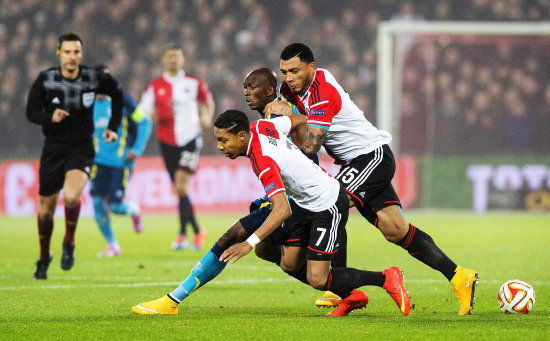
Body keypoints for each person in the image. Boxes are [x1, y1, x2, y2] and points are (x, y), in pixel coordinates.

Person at [266, 42, 478, 315]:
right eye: (284, 72)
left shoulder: (323, 92)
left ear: (311, 68)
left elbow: (310, 146)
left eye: (294, 71)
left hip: (371, 157)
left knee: (334, 201)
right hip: (357, 163)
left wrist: (291, 117)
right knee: (395, 230)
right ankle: (460, 276)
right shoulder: (290, 90)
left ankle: (339, 291)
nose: (288, 78)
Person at [133, 109, 411, 317]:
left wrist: (248, 242)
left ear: (242, 136)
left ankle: (386, 277)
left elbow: (281, 209)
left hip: (327, 204)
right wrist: (305, 149)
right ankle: (349, 295)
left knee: (315, 277)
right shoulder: (263, 125)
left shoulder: (262, 159)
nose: (219, 147)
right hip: (305, 202)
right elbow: (299, 118)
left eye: (223, 140)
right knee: (286, 262)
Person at [26, 33, 123, 279]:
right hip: (53, 149)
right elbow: (31, 111)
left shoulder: (93, 77)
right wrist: (50, 117)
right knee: (45, 211)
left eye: (76, 52)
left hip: (81, 148)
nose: (72, 57)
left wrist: (112, 125)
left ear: (81, 54)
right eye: (67, 52)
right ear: (59, 53)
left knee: (71, 197)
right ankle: (44, 255)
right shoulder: (46, 79)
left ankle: (69, 242)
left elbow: (118, 93)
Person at [139, 43, 215, 251]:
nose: (174, 60)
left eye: (177, 57)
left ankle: (185, 234)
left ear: (183, 60)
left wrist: (206, 115)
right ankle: (193, 231)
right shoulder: (154, 86)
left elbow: (208, 102)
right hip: (166, 141)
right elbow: (143, 111)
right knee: (179, 190)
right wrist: (148, 116)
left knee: (181, 186)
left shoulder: (193, 82)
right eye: (170, 56)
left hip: (190, 139)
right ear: (164, 60)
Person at [90, 64, 152, 257]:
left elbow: (145, 121)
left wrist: (137, 149)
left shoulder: (124, 101)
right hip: (98, 162)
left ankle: (134, 210)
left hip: (120, 162)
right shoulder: (88, 104)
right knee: (98, 204)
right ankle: (113, 245)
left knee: (115, 206)